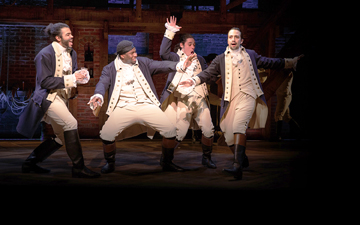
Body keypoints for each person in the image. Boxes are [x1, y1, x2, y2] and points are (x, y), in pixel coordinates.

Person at [179, 27, 302, 180]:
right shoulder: (220, 58)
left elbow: (269, 62)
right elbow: (208, 73)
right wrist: (193, 80)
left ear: (241, 40)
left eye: (236, 37)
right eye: (230, 37)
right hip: (231, 98)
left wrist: (289, 62)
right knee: (227, 131)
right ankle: (242, 158)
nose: (233, 39)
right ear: (227, 40)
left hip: (248, 95)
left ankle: (237, 165)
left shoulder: (251, 54)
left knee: (239, 126)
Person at [88, 40, 196, 173]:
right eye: (132, 53)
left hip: (147, 105)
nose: (135, 54)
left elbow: (161, 65)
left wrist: (180, 65)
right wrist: (97, 95)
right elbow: (102, 83)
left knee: (170, 131)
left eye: (135, 51)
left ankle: (167, 162)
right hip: (123, 107)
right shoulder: (110, 68)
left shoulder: (143, 62)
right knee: (106, 135)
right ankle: (110, 163)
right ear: (122, 56)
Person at [16, 22, 100, 178]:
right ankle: (78, 168)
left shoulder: (72, 53)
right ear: (58, 37)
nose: (71, 36)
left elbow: (72, 74)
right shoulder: (44, 54)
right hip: (48, 97)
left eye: (71, 33)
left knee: (61, 137)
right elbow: (45, 82)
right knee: (71, 123)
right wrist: (72, 78)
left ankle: (30, 163)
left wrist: (80, 76)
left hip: (62, 98)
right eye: (68, 34)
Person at [159, 16, 216, 169]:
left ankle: (207, 158)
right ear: (182, 45)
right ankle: (166, 160)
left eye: (194, 44)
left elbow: (206, 76)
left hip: (200, 98)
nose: (193, 47)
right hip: (183, 100)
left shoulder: (201, 59)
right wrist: (170, 31)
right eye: (190, 44)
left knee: (209, 129)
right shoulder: (174, 57)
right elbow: (163, 53)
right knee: (179, 132)